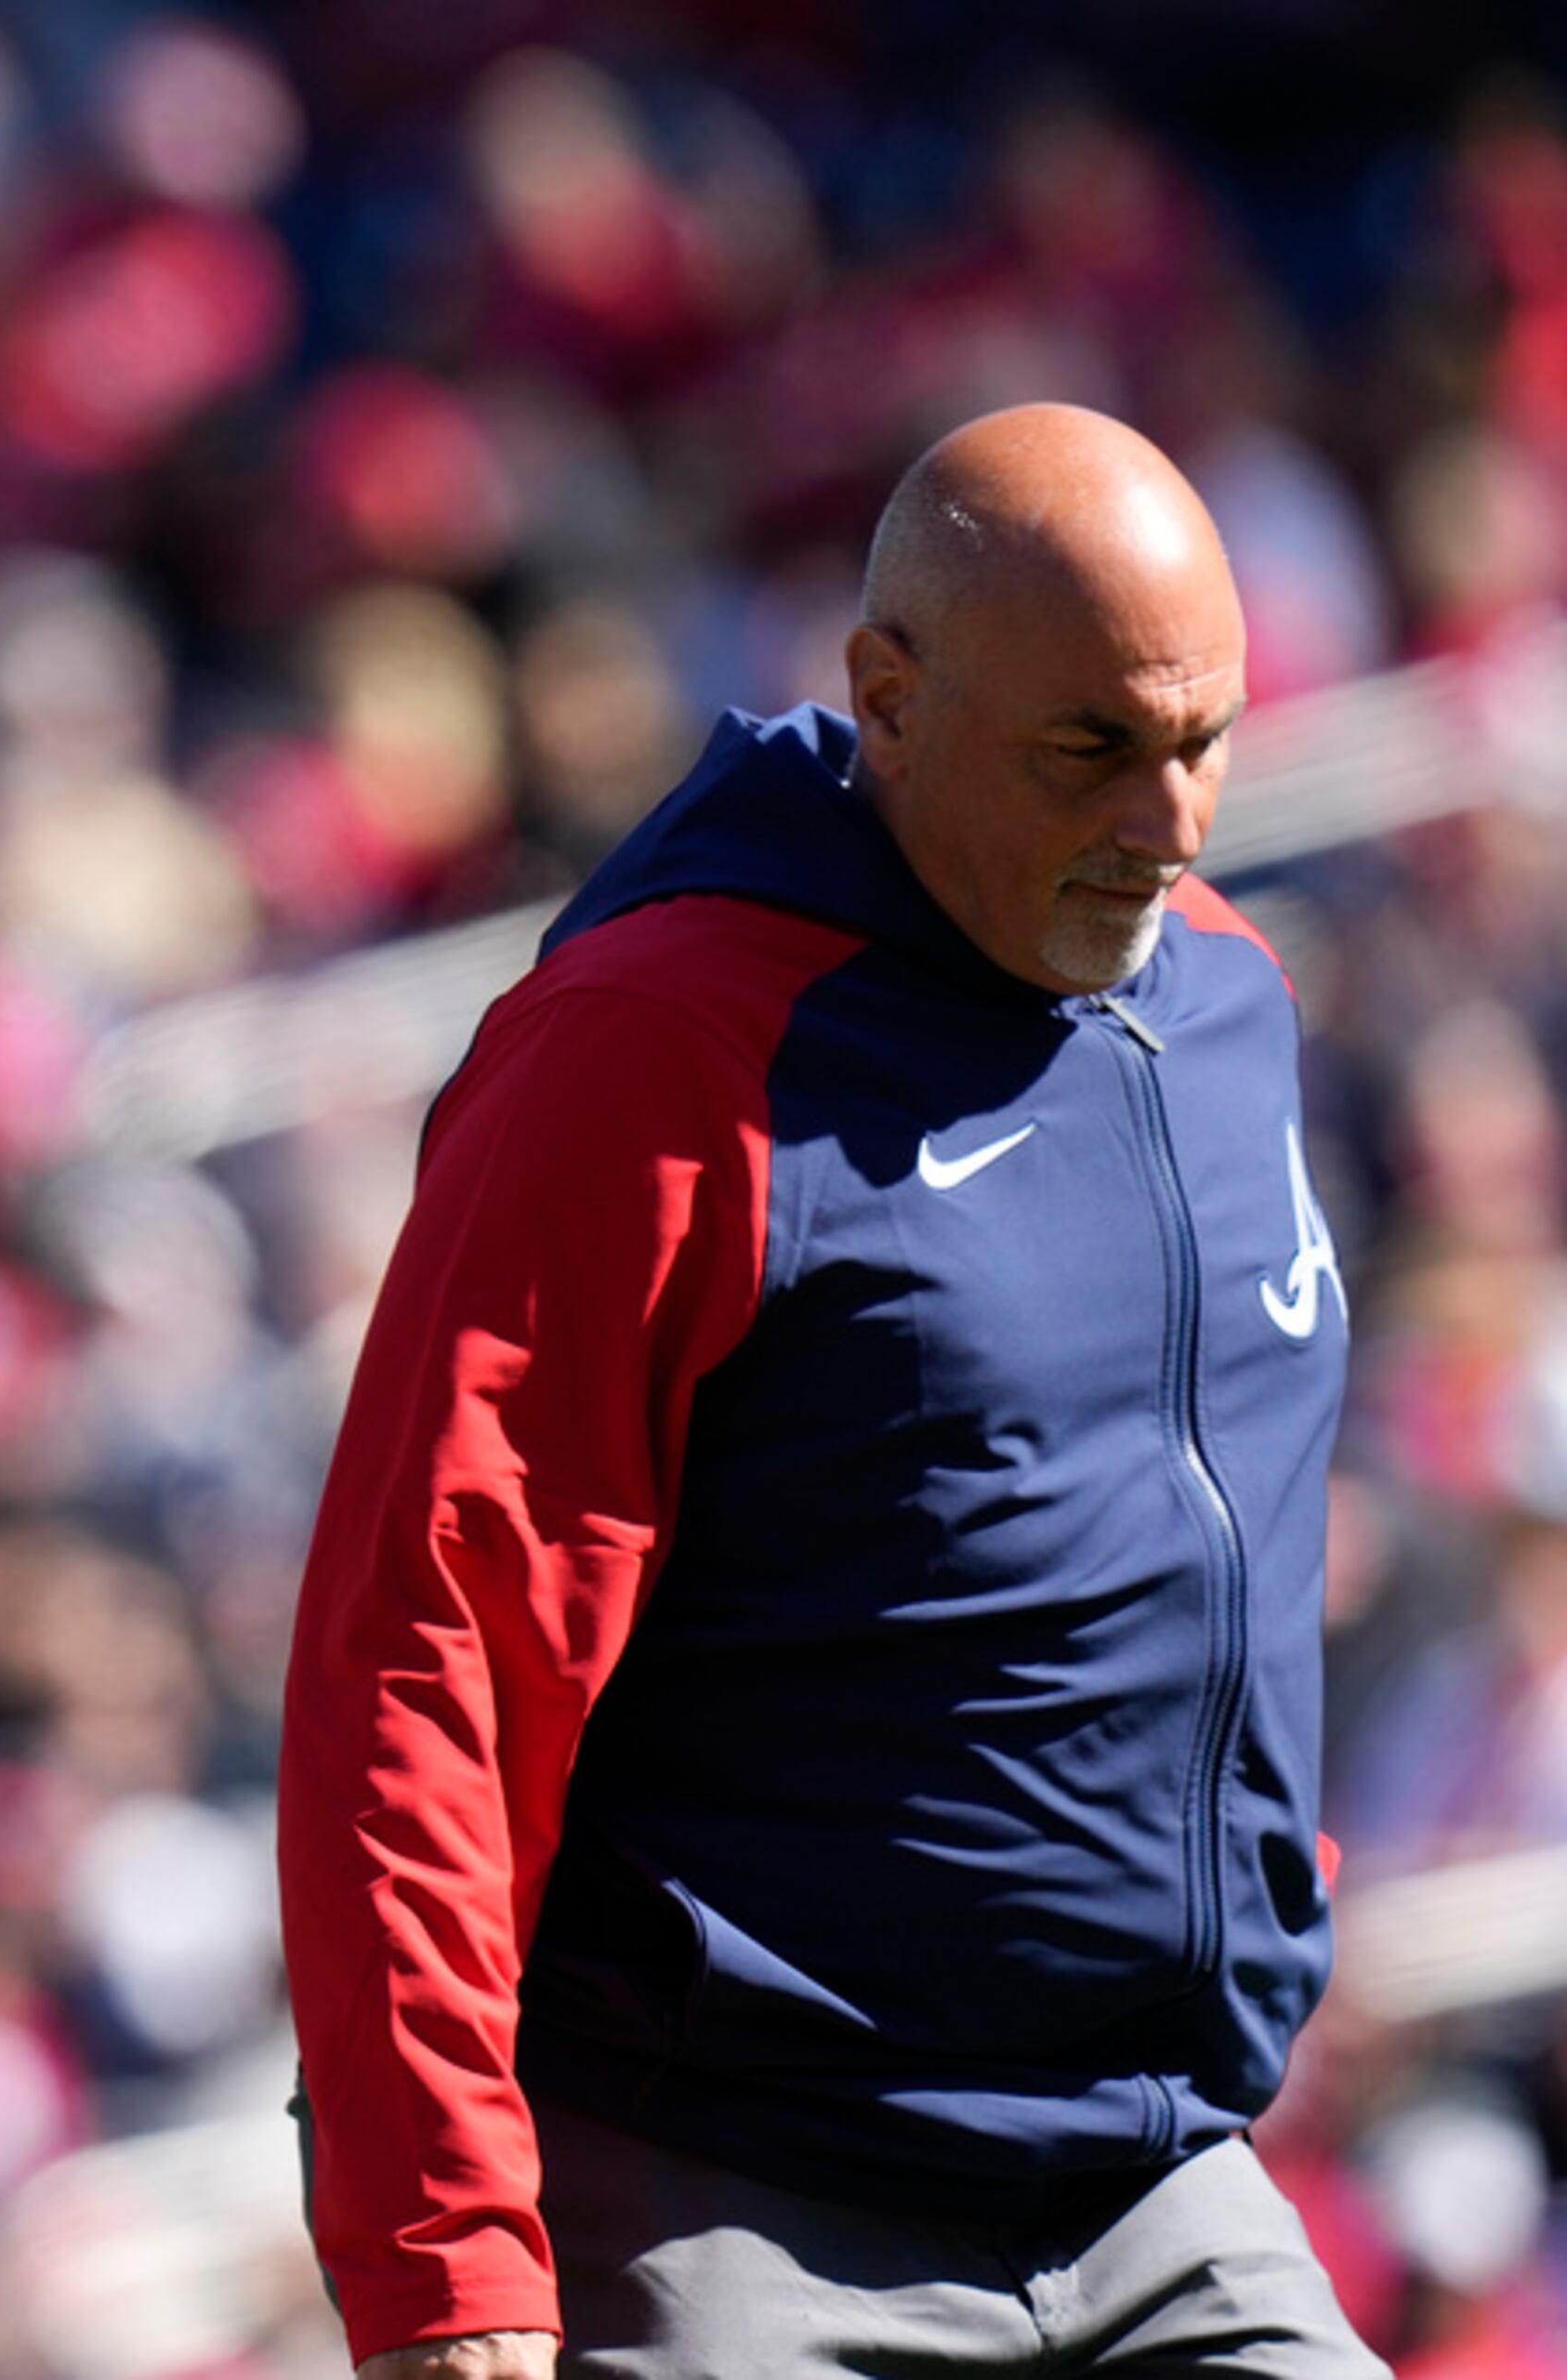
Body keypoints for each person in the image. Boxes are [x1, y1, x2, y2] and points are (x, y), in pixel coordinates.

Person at [275, 403, 1383, 2379]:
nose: (1174, 818)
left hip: (1152, 2186)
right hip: (737, 2203)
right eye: (1091, 751)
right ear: (888, 696)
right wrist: (443, 2255)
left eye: (1203, 743)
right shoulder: (652, 1055)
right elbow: (423, 1656)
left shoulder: (1222, 996)